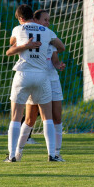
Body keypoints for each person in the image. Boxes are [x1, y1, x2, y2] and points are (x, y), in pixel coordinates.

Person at [4, 4, 64, 162]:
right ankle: (52, 154)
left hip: (23, 74)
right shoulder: (47, 31)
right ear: (33, 16)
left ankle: (12, 155)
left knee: (16, 117)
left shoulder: (18, 29)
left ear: (20, 18)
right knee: (47, 117)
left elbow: (11, 43)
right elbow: (60, 46)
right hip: (42, 75)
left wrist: (25, 44)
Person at [23, 10, 66, 161]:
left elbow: (55, 57)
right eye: (45, 20)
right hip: (36, 79)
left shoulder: (49, 37)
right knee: (30, 119)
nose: (47, 23)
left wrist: (58, 65)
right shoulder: (28, 35)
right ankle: (15, 152)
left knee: (57, 117)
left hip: (52, 79)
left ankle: (56, 152)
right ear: (35, 20)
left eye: (49, 20)